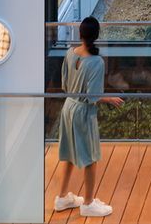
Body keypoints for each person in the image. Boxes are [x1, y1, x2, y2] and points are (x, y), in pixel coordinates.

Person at [51, 16, 124, 217]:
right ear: (96, 36)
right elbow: (92, 97)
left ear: (81, 34)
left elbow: (65, 85)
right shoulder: (96, 62)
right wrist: (110, 99)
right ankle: (89, 203)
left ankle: (62, 197)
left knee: (68, 153)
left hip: (68, 107)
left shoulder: (69, 53)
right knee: (90, 157)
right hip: (83, 112)